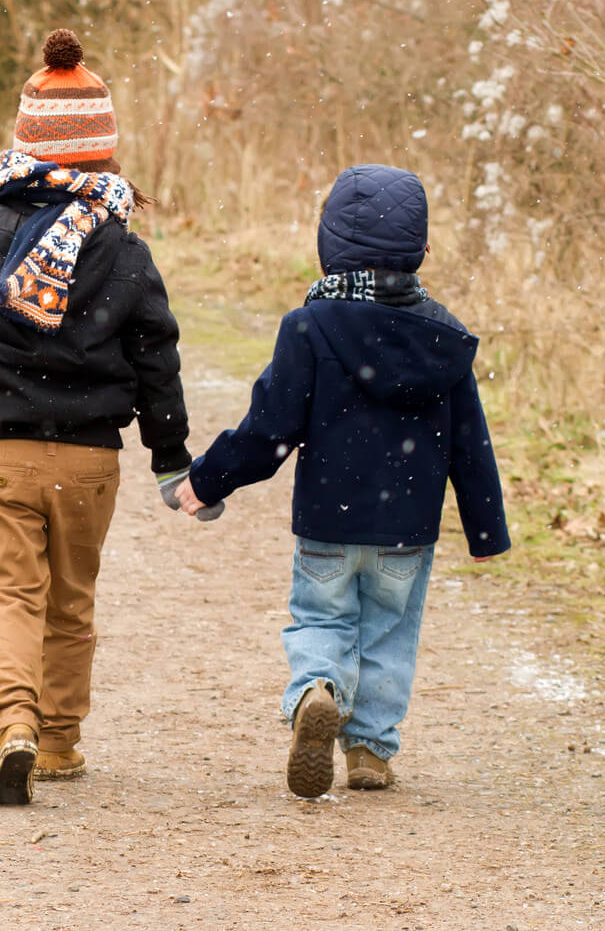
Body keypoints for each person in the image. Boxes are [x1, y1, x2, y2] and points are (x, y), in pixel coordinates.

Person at [0, 28, 217, 806]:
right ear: (103, 153)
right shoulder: (121, 249)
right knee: (70, 598)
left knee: (8, 592)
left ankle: (13, 720)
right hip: (90, 462)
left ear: (23, 144)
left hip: (4, 455)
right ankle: (57, 744)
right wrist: (170, 454)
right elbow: (158, 358)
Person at [174, 163, 511, 798]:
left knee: (321, 620)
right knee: (388, 631)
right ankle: (370, 753)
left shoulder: (310, 327)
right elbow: (472, 440)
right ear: (422, 250)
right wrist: (486, 529)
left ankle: (316, 691)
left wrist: (208, 480)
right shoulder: (445, 338)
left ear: (327, 246)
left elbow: (269, 428)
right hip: (406, 529)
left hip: (328, 520)